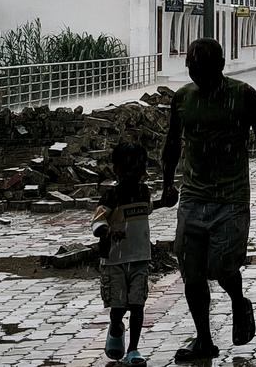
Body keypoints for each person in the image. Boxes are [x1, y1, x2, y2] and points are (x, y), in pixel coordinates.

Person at [161, 38, 256, 362]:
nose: (198, 75)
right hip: (193, 196)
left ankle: (239, 302)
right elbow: (172, 143)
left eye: (205, 70)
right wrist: (167, 184)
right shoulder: (183, 99)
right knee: (191, 271)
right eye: (193, 69)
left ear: (221, 67)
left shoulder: (244, 95)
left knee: (223, 266)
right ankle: (204, 339)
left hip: (231, 197)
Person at [92, 142, 177, 366]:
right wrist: (107, 231)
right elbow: (98, 220)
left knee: (138, 305)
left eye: (139, 169)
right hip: (115, 260)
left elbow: (148, 208)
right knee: (118, 307)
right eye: (131, 168)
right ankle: (116, 327)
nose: (135, 174)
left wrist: (164, 203)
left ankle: (133, 349)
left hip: (140, 258)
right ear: (117, 170)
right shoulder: (111, 196)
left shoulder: (142, 192)